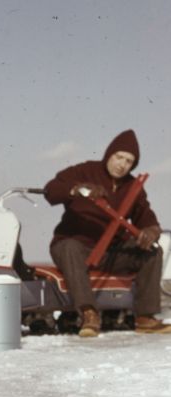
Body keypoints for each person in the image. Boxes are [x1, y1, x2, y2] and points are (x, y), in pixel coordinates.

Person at [44, 129, 170, 338]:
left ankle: (146, 317)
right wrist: (76, 189)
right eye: (119, 157)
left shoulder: (133, 186)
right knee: (69, 247)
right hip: (75, 245)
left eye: (129, 161)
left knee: (151, 252)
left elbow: (145, 216)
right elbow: (51, 190)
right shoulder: (84, 171)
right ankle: (89, 314)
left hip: (111, 252)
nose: (122, 164)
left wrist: (151, 230)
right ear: (109, 154)